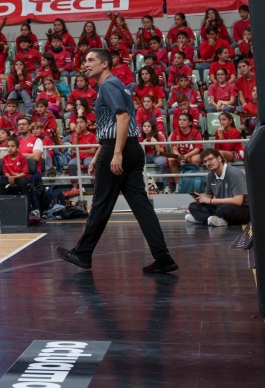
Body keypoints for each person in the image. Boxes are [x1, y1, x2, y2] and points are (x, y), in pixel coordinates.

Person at [57, 49, 177, 274]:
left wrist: (116, 153)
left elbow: (122, 117)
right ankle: (163, 258)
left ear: (104, 64)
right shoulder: (118, 85)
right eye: (85, 60)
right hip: (130, 147)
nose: (86, 64)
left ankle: (83, 253)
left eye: (91, 60)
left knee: (101, 203)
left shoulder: (108, 85)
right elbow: (114, 125)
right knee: (142, 207)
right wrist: (98, 155)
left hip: (119, 148)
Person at [186, 148, 249, 227]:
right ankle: (214, 220)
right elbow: (208, 197)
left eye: (210, 159)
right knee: (193, 206)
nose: (208, 163)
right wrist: (201, 199)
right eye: (205, 161)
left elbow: (238, 201)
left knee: (225, 209)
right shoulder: (210, 175)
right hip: (221, 206)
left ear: (219, 159)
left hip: (241, 209)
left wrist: (211, 201)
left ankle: (203, 219)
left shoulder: (234, 174)